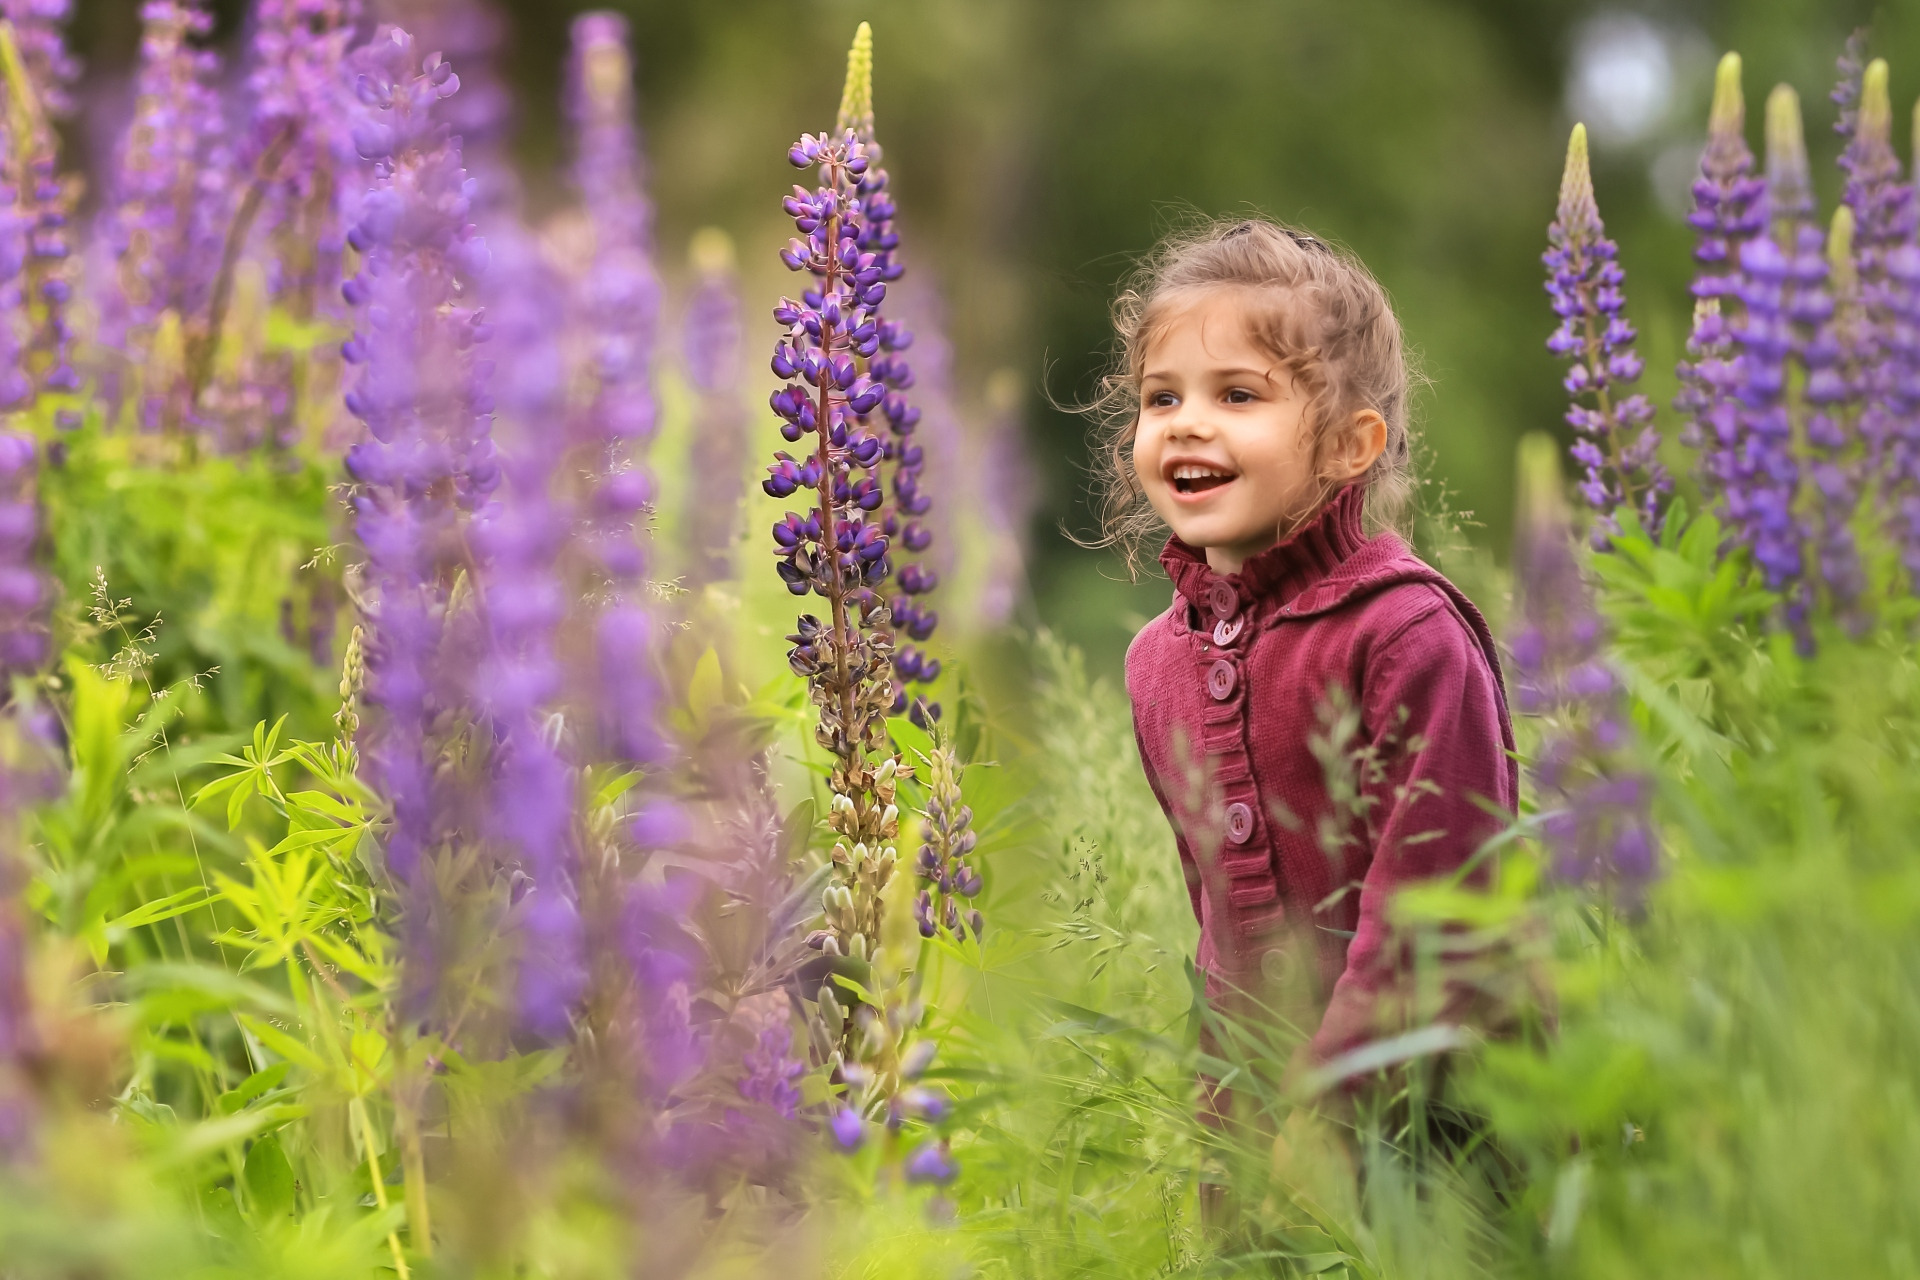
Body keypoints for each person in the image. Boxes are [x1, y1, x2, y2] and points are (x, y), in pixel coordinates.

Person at [1090, 218, 1518, 1126]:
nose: (1187, 423)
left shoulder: (1407, 635)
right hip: (1259, 1136)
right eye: (1161, 399)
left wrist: (1330, 1114)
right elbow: (1221, 935)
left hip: (1437, 1138)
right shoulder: (1156, 664)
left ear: (1348, 446)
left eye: (1239, 395)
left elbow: (1440, 911)